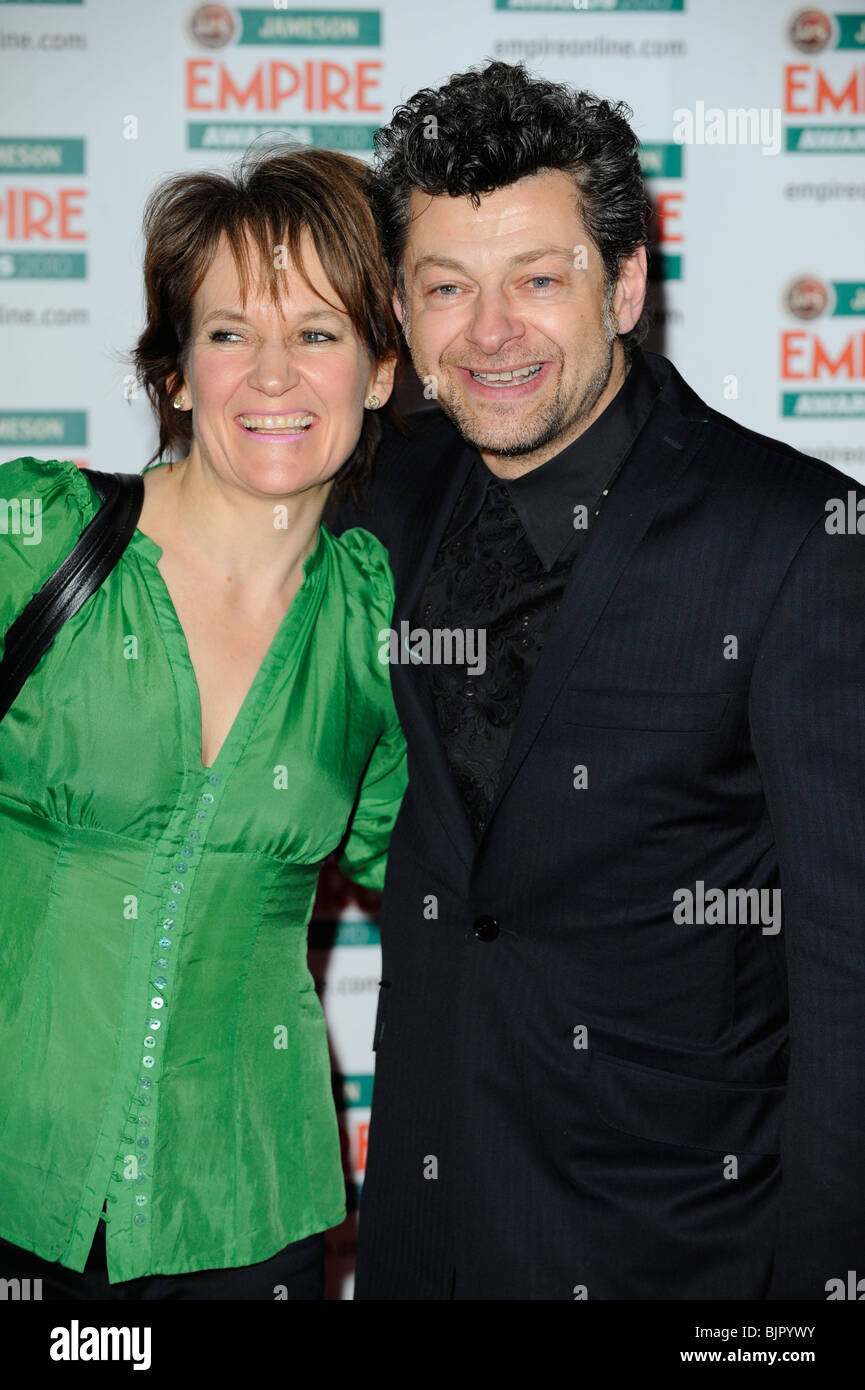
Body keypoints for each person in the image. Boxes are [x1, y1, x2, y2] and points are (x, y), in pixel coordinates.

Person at [335, 61, 865, 1300]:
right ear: (402, 318)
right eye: (446, 288)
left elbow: (848, 967)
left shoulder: (795, 538)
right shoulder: (376, 496)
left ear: (622, 285)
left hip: (678, 1250)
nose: (492, 330)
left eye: (538, 277)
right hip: (422, 1234)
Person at [0, 144, 406, 1299]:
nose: (272, 376)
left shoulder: (377, 623)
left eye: (320, 333)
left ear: (380, 372)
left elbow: (447, 882)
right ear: (175, 372)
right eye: (230, 332)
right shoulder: (35, 539)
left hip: (244, 1209)